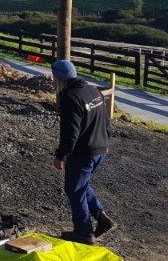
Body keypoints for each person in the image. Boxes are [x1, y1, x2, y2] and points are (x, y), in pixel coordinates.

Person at [50, 59, 116, 244]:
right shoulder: (93, 91)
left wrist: (60, 156)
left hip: (84, 152)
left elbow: (70, 132)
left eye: (54, 78)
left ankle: (84, 232)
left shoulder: (70, 98)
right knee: (81, 184)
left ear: (59, 78)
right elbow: (105, 120)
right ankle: (101, 218)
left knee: (74, 189)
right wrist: (106, 140)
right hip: (100, 148)